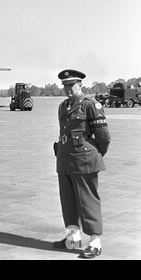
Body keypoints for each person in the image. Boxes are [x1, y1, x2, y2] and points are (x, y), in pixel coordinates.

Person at [53, 69, 111, 259]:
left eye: (72, 85)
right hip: (65, 160)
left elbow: (103, 137)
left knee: (87, 201)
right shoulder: (63, 106)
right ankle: (73, 238)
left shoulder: (91, 105)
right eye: (65, 86)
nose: (68, 89)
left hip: (84, 160)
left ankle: (95, 242)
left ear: (80, 85)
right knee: (68, 201)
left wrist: (95, 155)